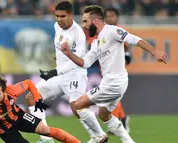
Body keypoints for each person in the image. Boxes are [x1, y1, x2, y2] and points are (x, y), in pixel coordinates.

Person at [61, 5, 167, 143]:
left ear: (96, 21)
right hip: (112, 82)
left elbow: (135, 40)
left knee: (78, 104)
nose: (84, 26)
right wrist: (69, 53)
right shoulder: (96, 42)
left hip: (114, 83)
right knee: (104, 114)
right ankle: (128, 141)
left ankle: (98, 137)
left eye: (86, 21)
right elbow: (85, 63)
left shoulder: (112, 31)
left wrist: (155, 52)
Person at [25, 1, 107, 143]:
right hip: (60, 74)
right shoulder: (57, 26)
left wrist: (54, 71)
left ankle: (99, 136)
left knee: (76, 106)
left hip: (75, 74)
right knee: (32, 97)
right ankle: (45, 138)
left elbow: (77, 60)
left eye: (63, 16)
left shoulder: (78, 34)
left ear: (71, 15)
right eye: (57, 16)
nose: (59, 19)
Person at [0, 75, 82, 143]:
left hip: (18, 116)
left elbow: (29, 83)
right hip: (4, 129)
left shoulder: (12, 91)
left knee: (45, 130)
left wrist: (38, 98)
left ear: (4, 91)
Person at [105, 7, 131, 133]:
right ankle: (122, 119)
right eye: (108, 16)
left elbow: (127, 48)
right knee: (112, 98)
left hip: (116, 69)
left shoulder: (121, 31)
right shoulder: (102, 31)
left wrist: (127, 56)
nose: (110, 18)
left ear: (117, 18)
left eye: (112, 16)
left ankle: (116, 122)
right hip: (104, 69)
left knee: (112, 96)